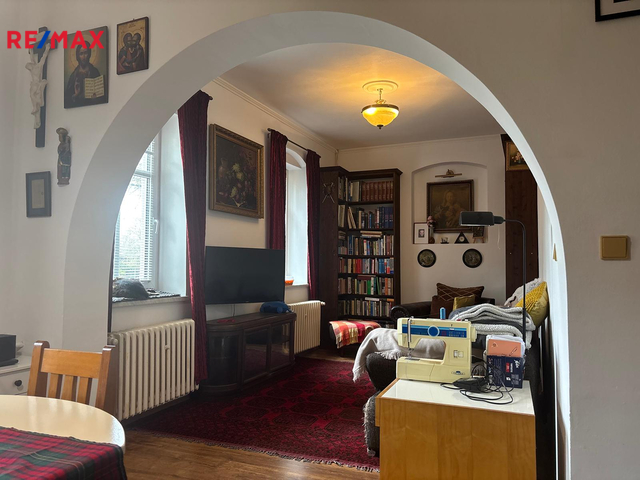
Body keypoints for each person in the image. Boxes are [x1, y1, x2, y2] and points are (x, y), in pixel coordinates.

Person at [25, 44, 51, 128]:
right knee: (32, 95)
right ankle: (35, 107)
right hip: (33, 84)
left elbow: (43, 57)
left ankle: (36, 108)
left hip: (37, 84)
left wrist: (47, 48)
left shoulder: (38, 66)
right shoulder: (33, 68)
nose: (29, 68)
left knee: (33, 96)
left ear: (31, 65)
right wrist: (31, 50)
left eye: (29, 66)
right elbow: (32, 58)